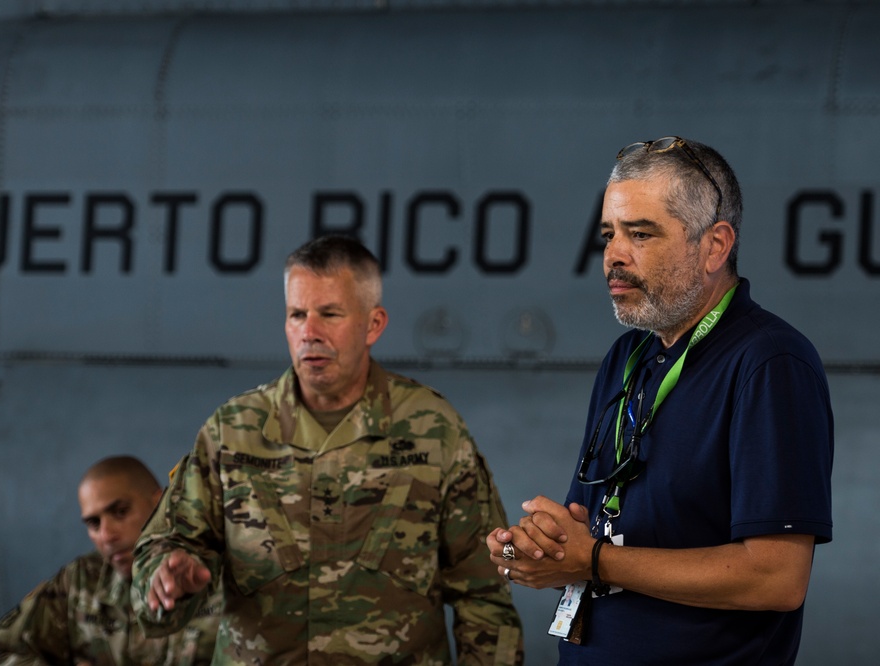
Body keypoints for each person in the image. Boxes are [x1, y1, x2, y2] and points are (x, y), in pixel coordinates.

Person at [487, 136, 833, 664]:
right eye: (609, 235)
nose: (613, 257)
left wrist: (594, 560)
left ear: (715, 245)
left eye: (641, 234)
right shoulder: (630, 356)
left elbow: (776, 578)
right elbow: (591, 530)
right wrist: (540, 549)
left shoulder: (770, 363)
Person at [131, 235, 523, 664]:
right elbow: (164, 553)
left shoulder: (433, 429)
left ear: (374, 324)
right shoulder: (232, 431)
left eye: (329, 314)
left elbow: (487, 590)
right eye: (296, 315)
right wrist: (166, 579)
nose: (309, 333)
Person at [0, 456, 220, 666]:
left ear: (160, 504)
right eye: (94, 523)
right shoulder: (81, 581)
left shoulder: (223, 578)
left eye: (120, 512)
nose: (106, 535)